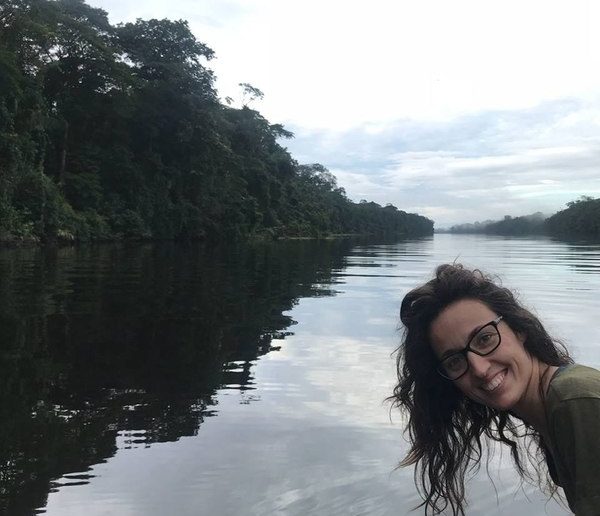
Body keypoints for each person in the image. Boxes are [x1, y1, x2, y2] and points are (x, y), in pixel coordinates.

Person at [390, 263, 600, 515]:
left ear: (518, 328)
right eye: (455, 361)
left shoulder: (575, 399)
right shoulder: (552, 406)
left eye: (485, 338)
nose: (479, 369)